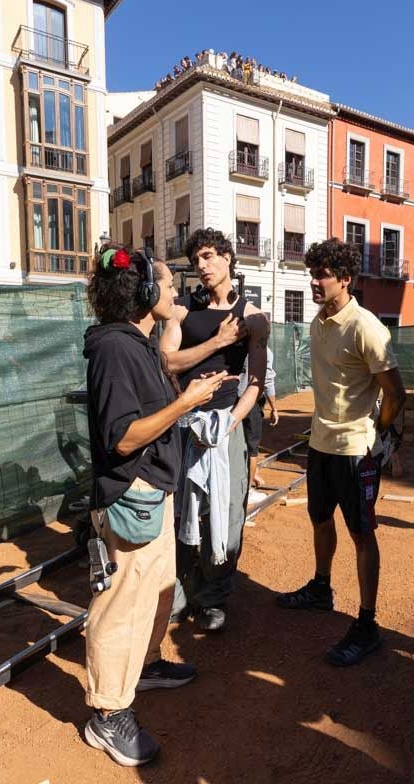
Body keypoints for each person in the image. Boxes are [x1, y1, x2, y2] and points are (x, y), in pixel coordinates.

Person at [81, 245, 235, 767]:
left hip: (154, 495)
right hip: (131, 497)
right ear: (146, 293)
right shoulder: (114, 349)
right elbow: (122, 438)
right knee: (120, 608)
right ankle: (107, 713)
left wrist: (185, 395)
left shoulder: (139, 343)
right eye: (167, 284)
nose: (175, 292)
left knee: (159, 592)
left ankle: (143, 667)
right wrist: (186, 403)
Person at [275, 238, 404, 666]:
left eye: (322, 275)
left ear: (344, 279)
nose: (314, 282)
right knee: (319, 518)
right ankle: (321, 588)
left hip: (355, 449)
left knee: (362, 533)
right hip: (320, 444)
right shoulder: (319, 321)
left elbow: (395, 394)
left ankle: (367, 623)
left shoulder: (366, 326)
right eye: (311, 274)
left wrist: (377, 435)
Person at [160, 228, 268, 632]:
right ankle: (180, 592)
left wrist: (230, 423)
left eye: (207, 257)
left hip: (227, 426)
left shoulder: (253, 317)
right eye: (196, 262)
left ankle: (213, 598)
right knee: (183, 510)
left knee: (225, 512)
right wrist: (216, 341)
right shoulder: (183, 311)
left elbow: (255, 382)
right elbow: (167, 363)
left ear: (226, 257)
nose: (201, 267)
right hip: (184, 423)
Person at [241, 346, 279, 499]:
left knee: (239, 443)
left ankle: (253, 474)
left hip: (232, 401)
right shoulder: (264, 351)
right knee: (252, 448)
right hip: (251, 402)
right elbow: (268, 381)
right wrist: (274, 408)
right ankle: (248, 492)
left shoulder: (234, 346)